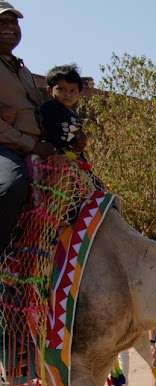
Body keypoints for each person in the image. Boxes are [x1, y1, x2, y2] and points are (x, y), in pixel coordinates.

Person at [0, 1, 56, 253]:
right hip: (6, 147)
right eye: (2, 22)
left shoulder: (23, 70)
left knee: (85, 185)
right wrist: (31, 144)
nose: (10, 27)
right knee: (13, 186)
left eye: (13, 22)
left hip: (35, 147)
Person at [40, 64, 87, 161]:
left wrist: (80, 142)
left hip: (72, 157)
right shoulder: (50, 108)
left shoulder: (75, 117)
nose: (67, 94)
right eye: (61, 89)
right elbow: (51, 131)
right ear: (50, 90)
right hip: (53, 156)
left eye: (72, 90)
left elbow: (75, 137)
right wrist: (59, 149)